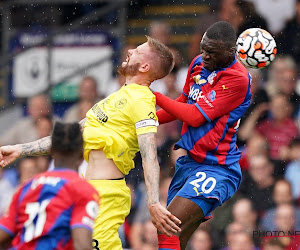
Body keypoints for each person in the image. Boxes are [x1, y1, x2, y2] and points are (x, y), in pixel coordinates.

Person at [0, 36, 181, 250]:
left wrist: (152, 202)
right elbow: (71, 135)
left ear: (145, 66)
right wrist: (21, 149)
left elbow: (149, 153)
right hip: (86, 187)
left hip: (107, 194)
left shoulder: (142, 99)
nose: (130, 50)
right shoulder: (111, 99)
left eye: (138, 51)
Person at [152, 21, 252, 250]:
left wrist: (153, 95)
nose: (204, 56)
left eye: (211, 52)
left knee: (168, 225)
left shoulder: (238, 78)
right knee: (175, 237)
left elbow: (195, 116)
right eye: (202, 49)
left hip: (218, 167)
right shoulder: (198, 64)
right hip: (190, 164)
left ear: (230, 52)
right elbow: (182, 103)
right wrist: (147, 119)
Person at [0, 122, 99, 250]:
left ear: (51, 151)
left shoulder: (27, 187)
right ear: (82, 153)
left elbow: (4, 235)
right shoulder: (84, 190)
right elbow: (82, 245)